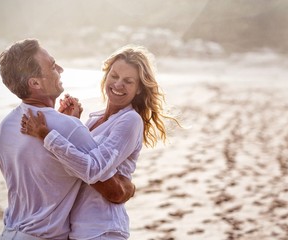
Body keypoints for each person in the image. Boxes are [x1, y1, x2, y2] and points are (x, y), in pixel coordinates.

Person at [21, 44, 180, 240]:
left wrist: (46, 135)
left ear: (139, 89)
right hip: (77, 227)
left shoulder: (130, 120)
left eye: (128, 81)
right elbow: (79, 162)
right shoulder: (94, 119)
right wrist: (73, 123)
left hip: (102, 229)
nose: (118, 84)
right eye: (114, 76)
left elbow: (93, 169)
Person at [0, 39, 135, 240]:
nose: (60, 69)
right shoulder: (68, 128)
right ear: (35, 83)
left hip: (9, 233)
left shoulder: (6, 125)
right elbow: (113, 192)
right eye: (53, 66)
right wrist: (130, 187)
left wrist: (69, 124)